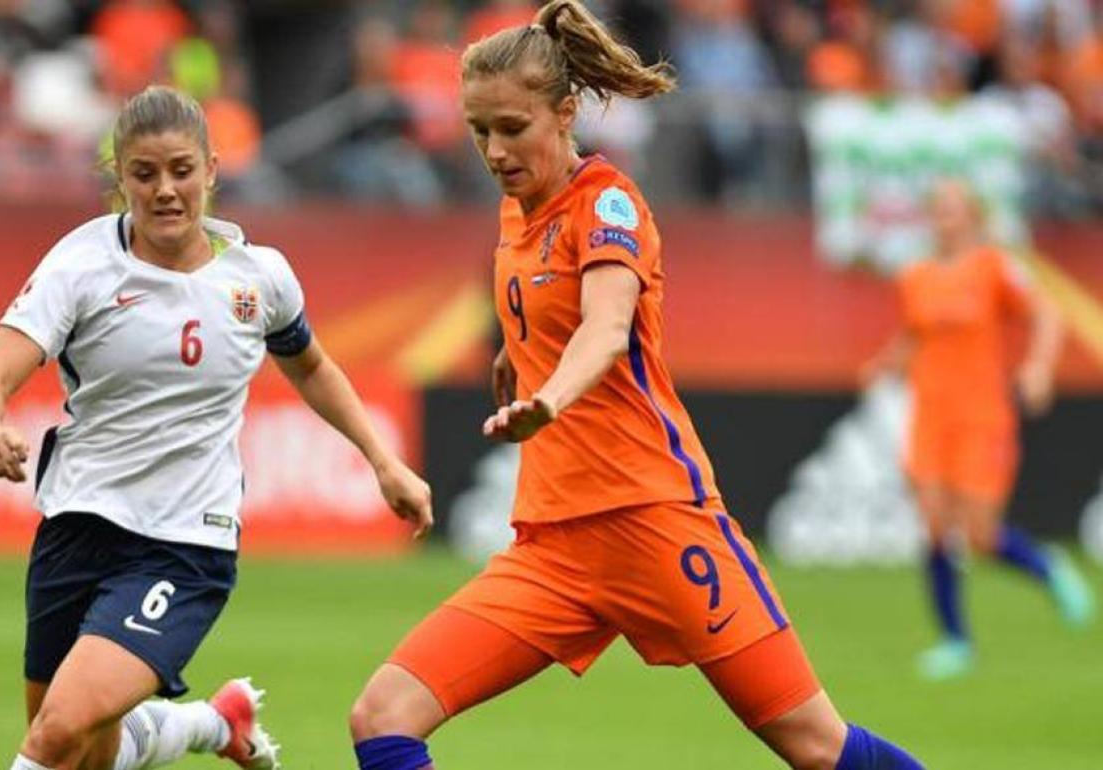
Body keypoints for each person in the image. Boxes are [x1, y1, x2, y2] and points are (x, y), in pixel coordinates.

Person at [347, 4, 924, 769]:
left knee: (816, 746)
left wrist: (551, 397)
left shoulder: (608, 203)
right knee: (382, 716)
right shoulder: (515, 213)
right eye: (479, 130)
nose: (494, 150)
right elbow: (543, 317)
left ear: (565, 111)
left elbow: (606, 325)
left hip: (657, 521)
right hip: (556, 546)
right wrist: (515, 360)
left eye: (513, 128)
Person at [0, 84, 433, 770]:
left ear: (212, 168)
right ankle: (212, 725)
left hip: (184, 543)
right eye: (144, 174)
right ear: (119, 177)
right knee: (82, 752)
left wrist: (383, 461)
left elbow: (313, 368)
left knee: (56, 733)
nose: (165, 191)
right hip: (77, 524)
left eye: (181, 170)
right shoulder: (82, 265)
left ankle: (204, 724)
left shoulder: (259, 279)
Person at [865, 177, 1095, 680]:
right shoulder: (916, 276)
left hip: (981, 416)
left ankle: (1048, 568)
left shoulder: (993, 268)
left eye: (954, 209)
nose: (945, 218)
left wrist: (1037, 366)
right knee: (932, 528)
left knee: (980, 535)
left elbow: (1048, 313)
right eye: (938, 209)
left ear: (972, 215)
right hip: (930, 416)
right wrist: (886, 362)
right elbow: (913, 335)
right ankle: (954, 642)